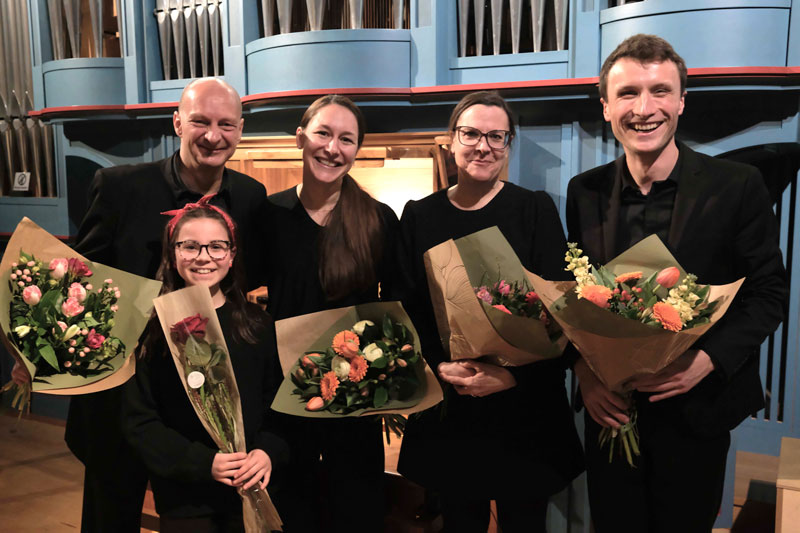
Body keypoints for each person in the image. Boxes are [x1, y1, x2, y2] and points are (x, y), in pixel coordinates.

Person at [566, 34, 789, 532]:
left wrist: (706, 361)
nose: (644, 109)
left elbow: (768, 291)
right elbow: (572, 296)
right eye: (627, 93)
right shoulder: (583, 191)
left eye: (660, 91)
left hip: (696, 410)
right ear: (605, 107)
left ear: (682, 101)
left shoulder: (736, 185)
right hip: (610, 414)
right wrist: (583, 370)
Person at [62, 77, 267, 532]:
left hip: (207, 405)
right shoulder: (118, 186)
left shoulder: (252, 197)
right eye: (200, 121)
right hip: (125, 396)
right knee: (109, 517)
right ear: (177, 122)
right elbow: (79, 287)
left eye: (226, 124)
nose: (213, 135)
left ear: (240, 130)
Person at [395, 91, 584, 533]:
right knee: (460, 520)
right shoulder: (420, 215)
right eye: (471, 134)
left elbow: (559, 307)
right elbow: (407, 304)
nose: (484, 146)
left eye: (497, 136)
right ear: (451, 140)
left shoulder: (534, 208)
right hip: (453, 405)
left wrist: (513, 375)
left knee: (525, 522)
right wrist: (439, 365)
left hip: (524, 404)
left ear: (509, 143)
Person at [261, 94, 398, 532]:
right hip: (284, 392)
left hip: (353, 399)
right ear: (300, 137)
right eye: (323, 133)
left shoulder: (378, 220)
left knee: (355, 508)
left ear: (357, 150)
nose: (332, 148)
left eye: (346, 139)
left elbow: (396, 312)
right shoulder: (268, 215)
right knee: (290, 506)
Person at [122, 198, 287, 532]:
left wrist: (267, 452)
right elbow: (139, 422)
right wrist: (204, 462)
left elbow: (281, 406)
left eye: (216, 246)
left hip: (255, 486)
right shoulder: (150, 330)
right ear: (171, 254)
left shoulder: (258, 325)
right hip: (186, 498)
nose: (203, 256)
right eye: (190, 246)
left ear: (232, 254)